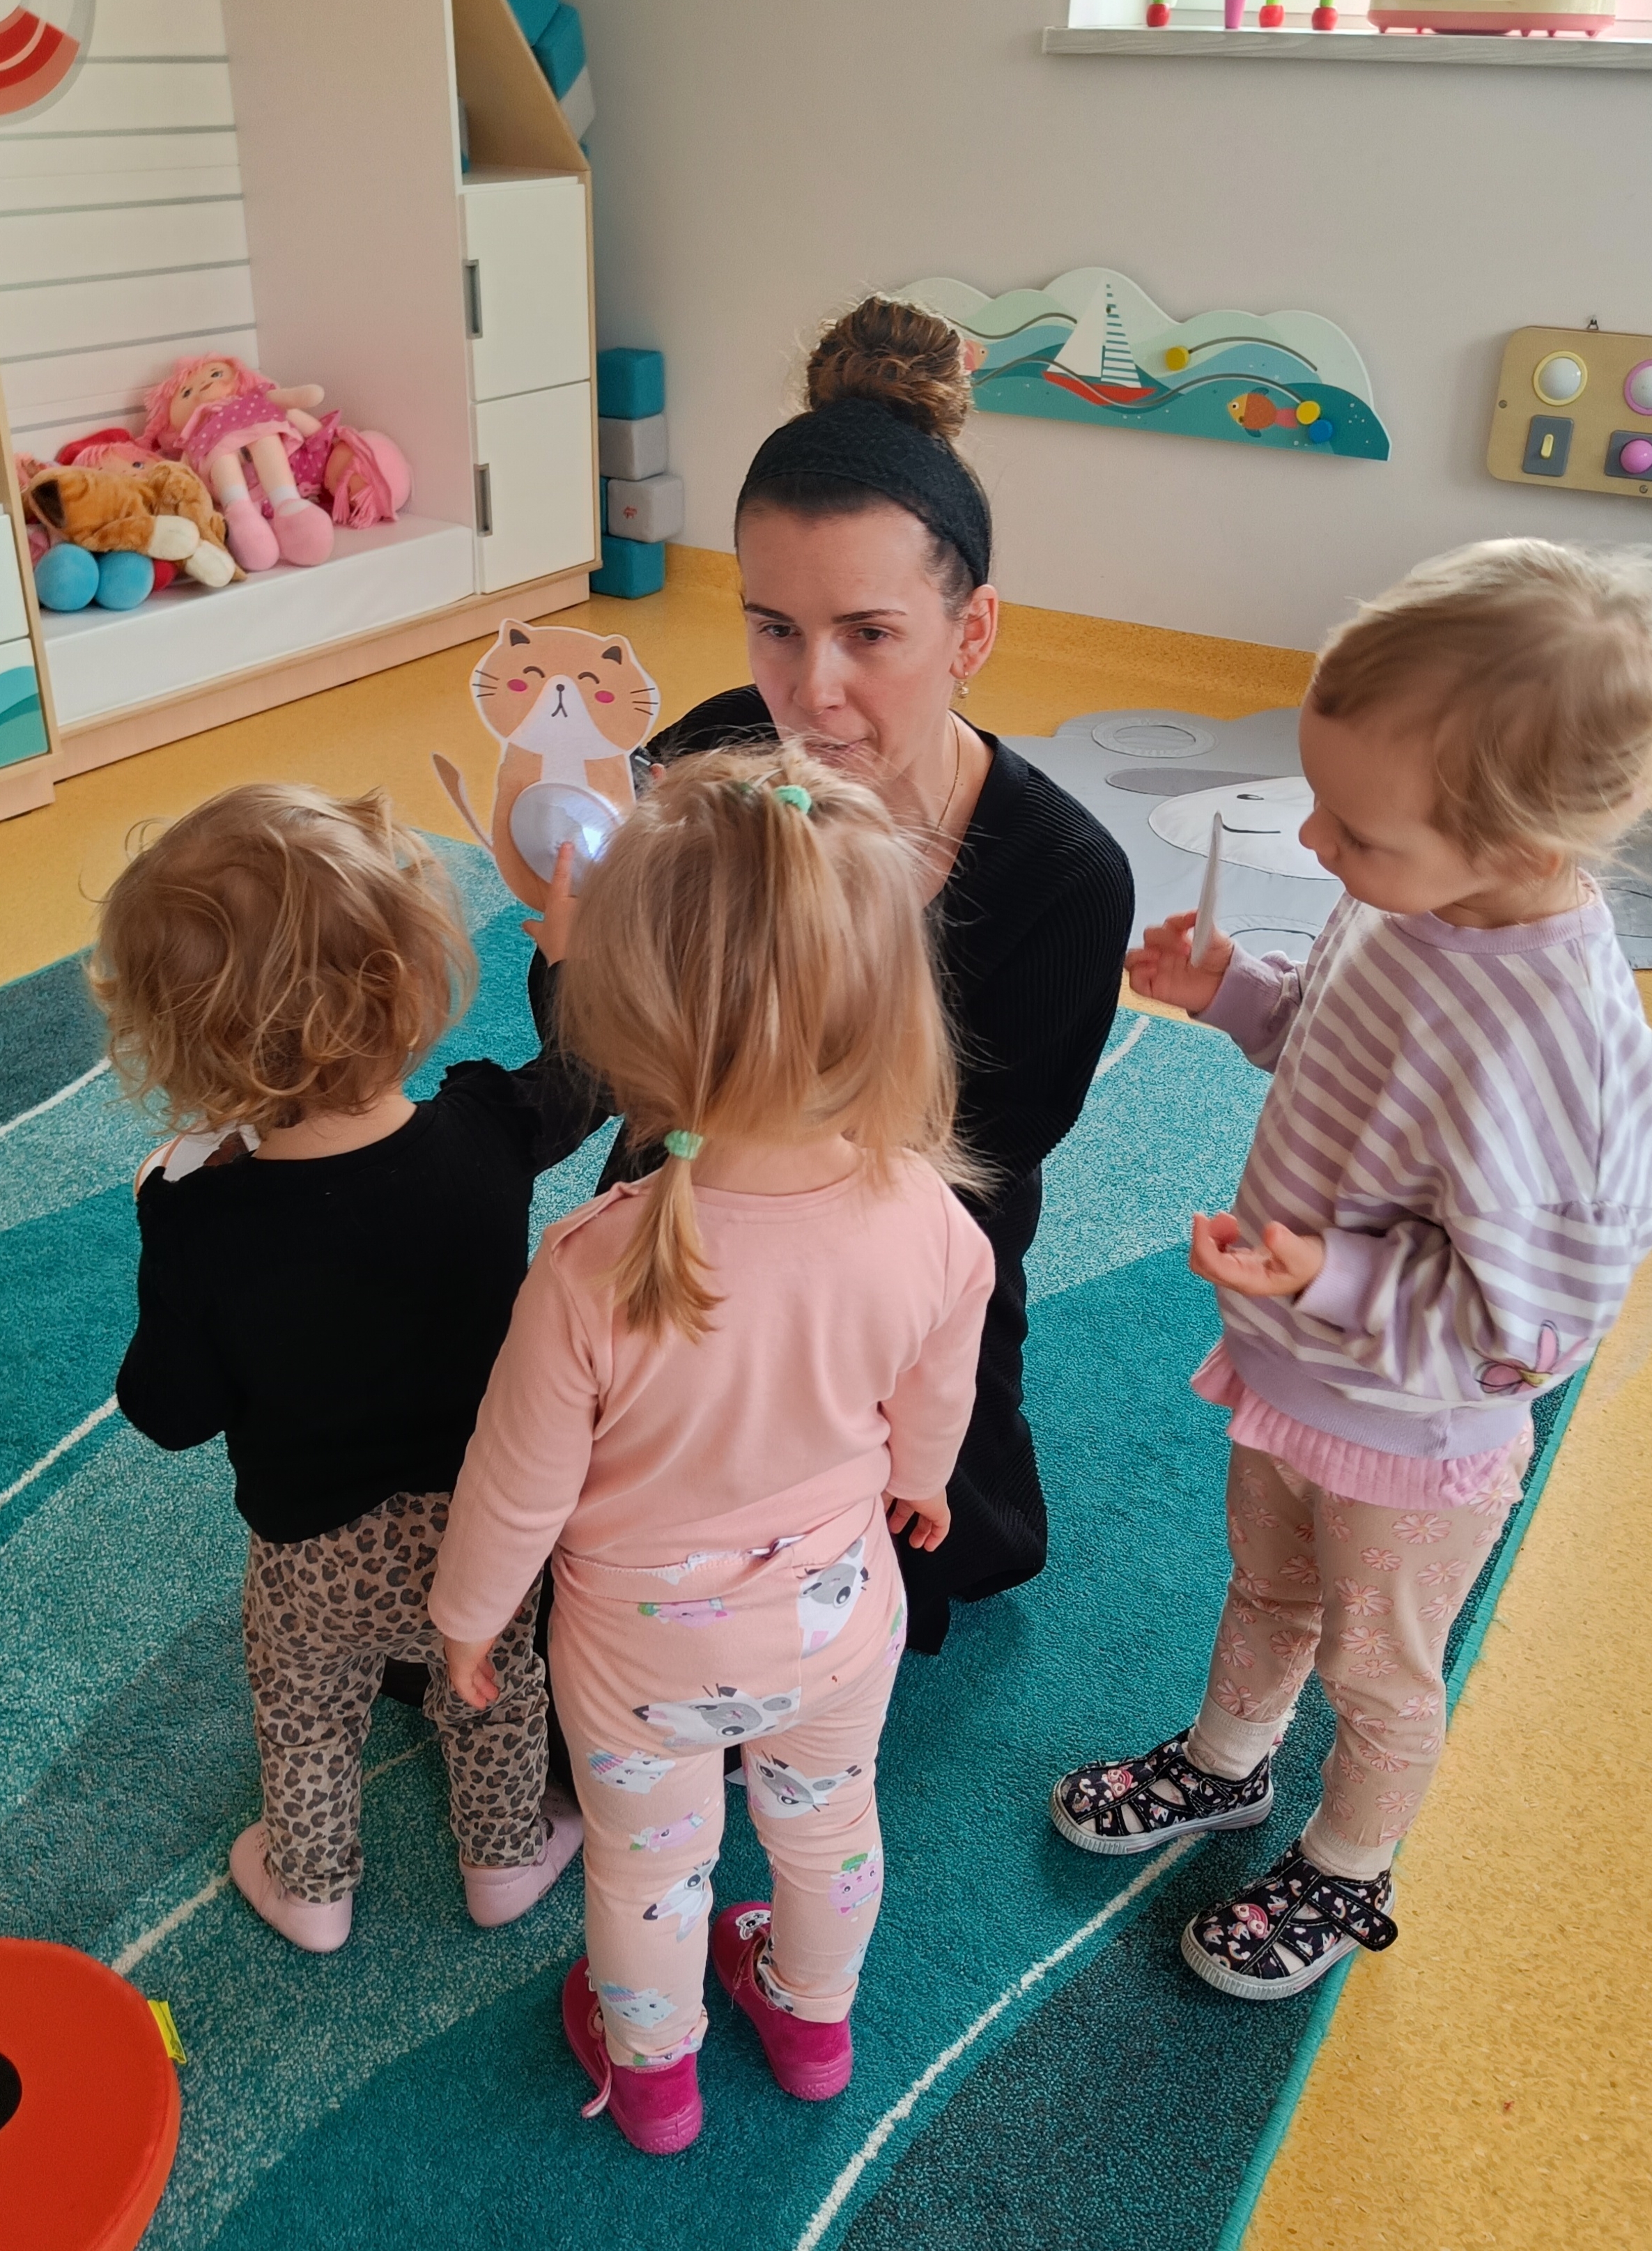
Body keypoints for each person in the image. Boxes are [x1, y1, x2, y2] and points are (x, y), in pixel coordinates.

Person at [1049, 541, 1652, 1998]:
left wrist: (1331, 1276)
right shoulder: (1403, 896)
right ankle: (1227, 1765)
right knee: (1267, 1591)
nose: (1316, 840)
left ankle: (1348, 1864)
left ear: (1521, 841)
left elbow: (1535, 1326)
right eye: (1318, 797)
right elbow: (1336, 1050)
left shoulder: (1567, 1050)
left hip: (1414, 1431)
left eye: (1358, 827)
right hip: (1295, 1364)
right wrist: (1236, 994)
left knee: (1377, 1673)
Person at [535, 295, 1133, 1655]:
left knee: (937, 1546)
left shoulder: (1062, 877)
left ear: (971, 632)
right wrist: (581, 962)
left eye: (870, 633)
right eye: (774, 628)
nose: (811, 692)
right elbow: (597, 1069)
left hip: (900, 1256)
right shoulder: (702, 767)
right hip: (690, 1204)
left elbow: (981, 1163)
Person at [431, 748, 994, 2155]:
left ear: (626, 1020)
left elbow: (517, 1482)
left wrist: (467, 1617)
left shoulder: (592, 1265)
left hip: (640, 1655)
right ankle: (813, 2024)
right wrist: (924, 1482)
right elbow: (940, 1390)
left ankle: (657, 2080)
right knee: (830, 1826)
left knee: (649, 1867)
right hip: (839, 1613)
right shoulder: (932, 1216)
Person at [98, 784, 594, 1954]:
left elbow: (171, 1411)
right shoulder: (485, 1127)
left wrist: (165, 1221)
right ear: (413, 983)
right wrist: (566, 964)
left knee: (307, 1711)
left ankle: (311, 1890)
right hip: (487, 1529)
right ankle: (505, 1862)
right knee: (494, 1688)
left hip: (312, 1553)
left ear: (181, 1045)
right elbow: (584, 1076)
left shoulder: (200, 1218)